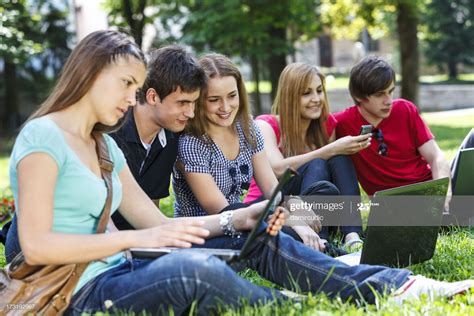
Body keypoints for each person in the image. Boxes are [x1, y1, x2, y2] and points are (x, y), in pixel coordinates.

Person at [3, 30, 290, 315]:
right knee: (195, 269)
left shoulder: (106, 146)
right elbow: (36, 247)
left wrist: (240, 217)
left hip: (117, 263)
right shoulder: (47, 136)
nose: (131, 98)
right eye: (127, 84)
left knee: (278, 218)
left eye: (231, 96)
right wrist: (135, 240)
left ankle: (335, 273)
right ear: (90, 74)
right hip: (70, 284)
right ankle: (288, 304)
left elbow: (156, 222)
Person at [171, 53, 473, 305]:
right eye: (214, 100)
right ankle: (371, 273)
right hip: (215, 232)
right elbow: (222, 211)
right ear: (199, 100)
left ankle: (361, 259)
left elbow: (271, 189)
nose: (225, 107)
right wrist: (291, 218)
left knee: (313, 203)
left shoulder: (245, 128)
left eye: (232, 96)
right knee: (288, 224)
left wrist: (298, 220)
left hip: (258, 219)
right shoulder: (192, 144)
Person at [244, 62, 369, 251]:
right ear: (290, 97)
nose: (316, 98)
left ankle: (352, 235)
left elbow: (329, 184)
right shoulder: (266, 125)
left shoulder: (326, 126)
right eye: (306, 93)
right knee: (318, 161)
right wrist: (329, 149)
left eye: (319, 91)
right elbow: (277, 169)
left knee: (339, 159)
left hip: (315, 205)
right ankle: (320, 239)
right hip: (273, 203)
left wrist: (336, 150)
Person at [109, 44, 206, 230]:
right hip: (107, 245)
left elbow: (152, 207)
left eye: (193, 103)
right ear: (153, 97)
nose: (191, 113)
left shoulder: (172, 137)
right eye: (183, 103)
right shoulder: (112, 132)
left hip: (144, 241)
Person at [334, 55, 452, 197]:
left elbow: (435, 156)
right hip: (392, 205)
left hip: (430, 188)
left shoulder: (405, 109)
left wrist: (443, 190)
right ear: (359, 96)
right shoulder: (341, 123)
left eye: (391, 91)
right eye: (380, 94)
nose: (388, 101)